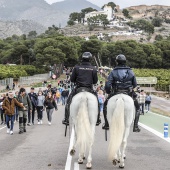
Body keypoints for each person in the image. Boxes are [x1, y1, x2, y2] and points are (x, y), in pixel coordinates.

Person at [103, 54, 141, 132]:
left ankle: (107, 124)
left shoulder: (113, 72)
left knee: (105, 106)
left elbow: (108, 84)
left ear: (117, 62)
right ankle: (135, 126)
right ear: (125, 61)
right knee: (137, 108)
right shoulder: (130, 71)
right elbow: (135, 84)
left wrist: (108, 91)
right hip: (128, 92)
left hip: (115, 92)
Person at [62, 52, 100, 126]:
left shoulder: (76, 67)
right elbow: (95, 81)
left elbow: (72, 80)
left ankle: (66, 119)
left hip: (78, 89)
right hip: (89, 89)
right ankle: (98, 119)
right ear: (90, 59)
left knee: (68, 102)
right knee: (97, 103)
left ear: (82, 58)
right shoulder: (93, 69)